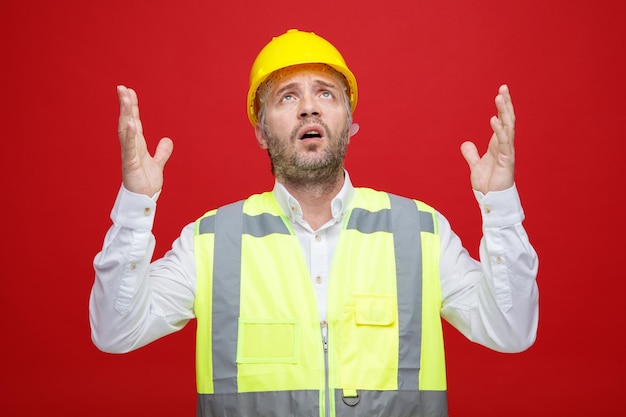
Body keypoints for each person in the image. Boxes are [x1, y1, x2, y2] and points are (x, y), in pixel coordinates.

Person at [90, 29, 538, 417]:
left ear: (349, 122)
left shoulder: (420, 232)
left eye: (326, 93)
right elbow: (115, 331)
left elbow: (511, 330)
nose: (309, 108)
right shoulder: (210, 243)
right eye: (288, 96)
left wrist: (499, 202)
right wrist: (136, 203)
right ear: (262, 131)